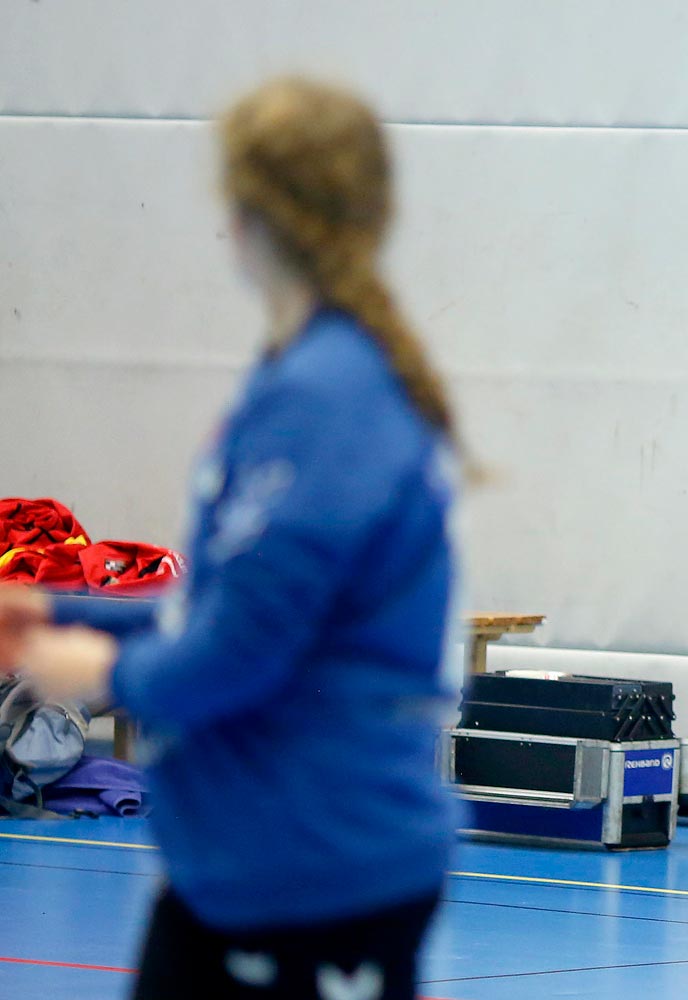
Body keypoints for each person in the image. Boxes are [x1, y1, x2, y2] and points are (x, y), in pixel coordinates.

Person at [0, 78, 463, 997]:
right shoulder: (297, 376)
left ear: (249, 212)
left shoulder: (328, 400)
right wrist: (52, 605)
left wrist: (93, 672)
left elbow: (240, 652)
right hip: (249, 874)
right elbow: (222, 607)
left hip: (313, 873)